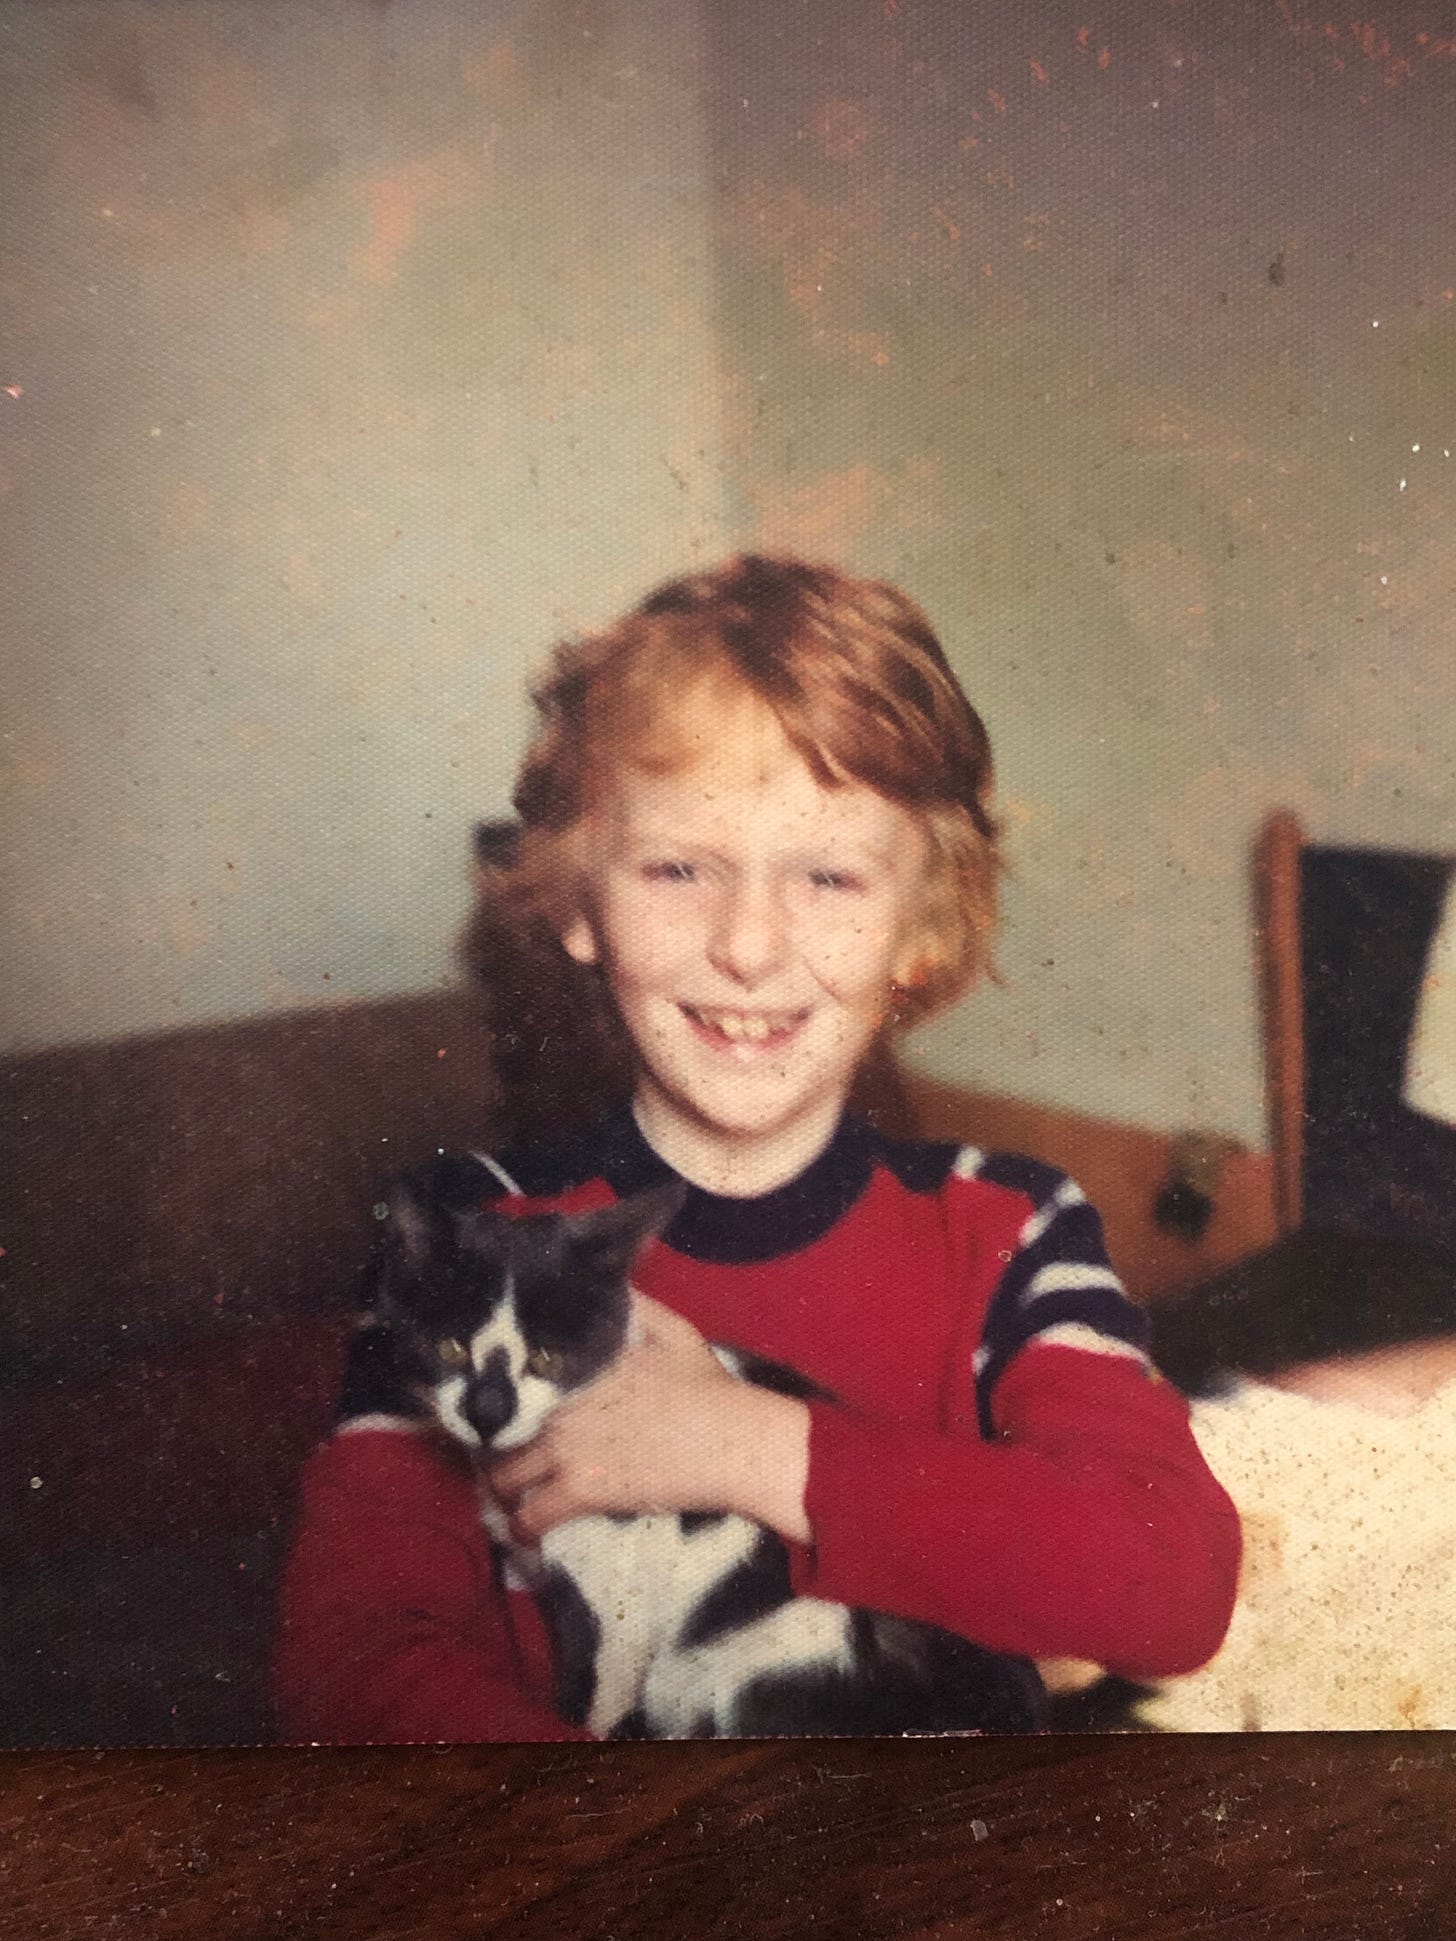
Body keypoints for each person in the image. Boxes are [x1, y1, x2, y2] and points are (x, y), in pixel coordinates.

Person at [272, 554, 1240, 1741]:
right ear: (576, 902)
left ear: (922, 928)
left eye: (827, 876)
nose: (747, 946)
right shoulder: (471, 1228)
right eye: (679, 868)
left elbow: (1174, 1587)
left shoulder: (1009, 1224)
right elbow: (351, 1669)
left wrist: (744, 1446)